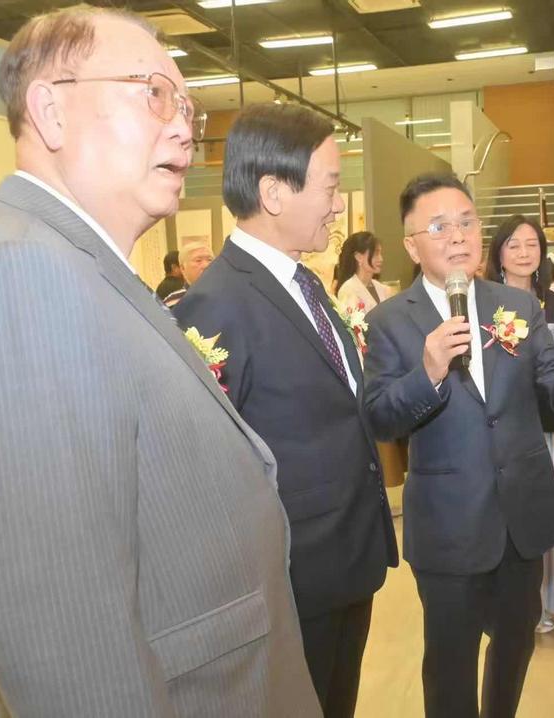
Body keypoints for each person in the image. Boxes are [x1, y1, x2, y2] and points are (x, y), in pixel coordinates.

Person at [0, 9, 319, 715]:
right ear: (51, 111)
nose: (184, 127)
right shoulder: (19, 279)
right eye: (153, 93)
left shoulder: (77, 264)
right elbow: (66, 644)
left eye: (187, 107)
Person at [363, 172, 554, 718]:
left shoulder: (517, 306)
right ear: (412, 246)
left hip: (522, 519)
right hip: (448, 528)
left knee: (516, 647)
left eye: (467, 222)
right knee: (449, 665)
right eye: (439, 226)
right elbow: (379, 418)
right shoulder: (389, 322)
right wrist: (428, 372)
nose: (457, 235)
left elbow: (553, 391)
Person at [173, 103, 397, 718]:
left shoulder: (305, 283)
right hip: (291, 579)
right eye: (329, 186)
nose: (338, 204)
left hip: (344, 561)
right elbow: (204, 471)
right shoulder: (218, 304)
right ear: (274, 192)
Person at [485, 215, 554, 635]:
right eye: (514, 244)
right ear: (498, 253)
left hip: (544, 426)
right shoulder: (483, 303)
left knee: (546, 510)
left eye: (532, 244)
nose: (524, 253)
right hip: (498, 429)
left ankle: (546, 603)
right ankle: (504, 603)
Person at [335, 230, 391, 311]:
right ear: (359, 257)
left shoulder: (382, 288)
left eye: (380, 253)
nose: (381, 259)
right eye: (376, 254)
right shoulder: (348, 290)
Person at [163, 240, 213, 306]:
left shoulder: (224, 295)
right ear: (183, 268)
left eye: (209, 260)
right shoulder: (173, 301)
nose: (206, 265)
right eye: (198, 260)